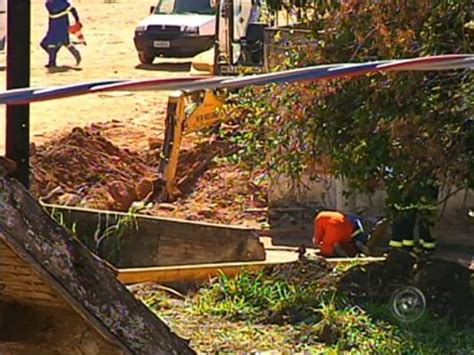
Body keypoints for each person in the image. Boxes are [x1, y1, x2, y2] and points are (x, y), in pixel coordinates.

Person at [40, 0, 82, 69]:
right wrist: (77, 21)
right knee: (47, 44)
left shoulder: (54, 3)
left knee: (50, 44)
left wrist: (77, 21)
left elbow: (72, 10)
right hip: (55, 25)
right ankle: (72, 51)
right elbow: (72, 10)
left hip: (59, 26)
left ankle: (52, 62)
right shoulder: (53, 3)